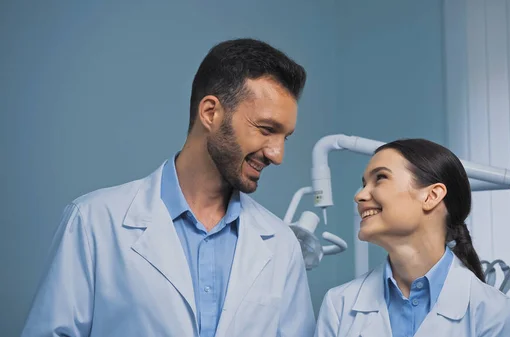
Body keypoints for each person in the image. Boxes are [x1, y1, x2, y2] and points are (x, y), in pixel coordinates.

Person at [22, 38, 315, 337]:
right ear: (211, 113)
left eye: (285, 138)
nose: (277, 155)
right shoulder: (93, 222)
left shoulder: (281, 245)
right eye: (266, 130)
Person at [314, 139, 510, 337]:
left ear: (431, 196)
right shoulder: (339, 304)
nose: (359, 196)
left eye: (380, 178)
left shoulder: (492, 311)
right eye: (364, 183)